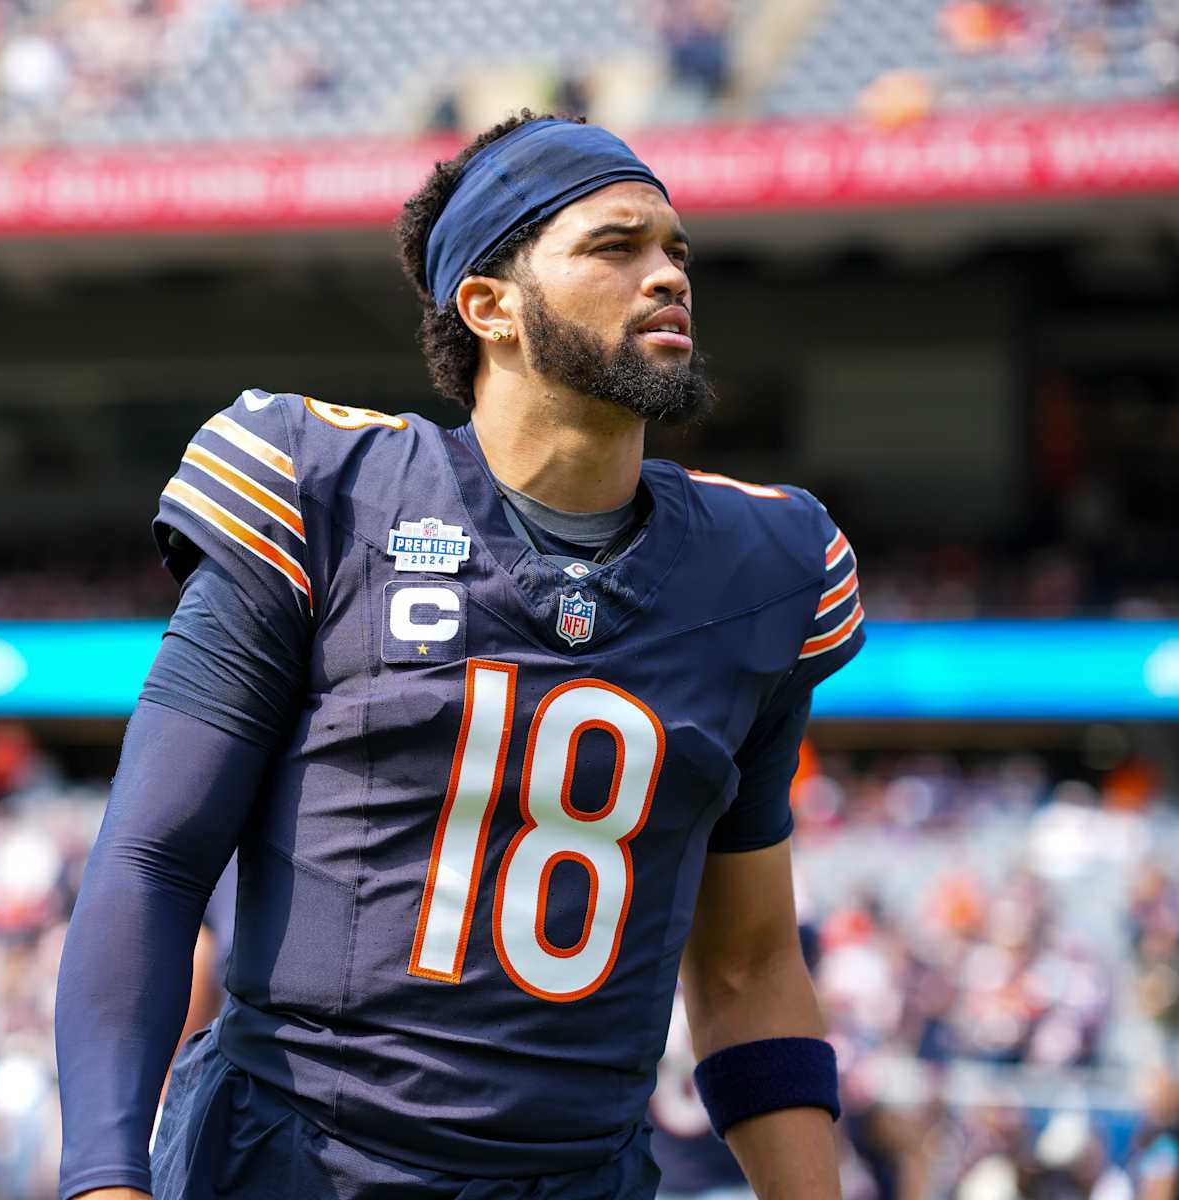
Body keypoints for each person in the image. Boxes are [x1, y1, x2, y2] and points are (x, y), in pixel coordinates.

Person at [55, 110, 865, 1200]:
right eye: (615, 246)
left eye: (676, 250)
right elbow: (153, 860)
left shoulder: (763, 565)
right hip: (298, 1164)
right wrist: (104, 1180)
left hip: (583, 1182)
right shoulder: (324, 492)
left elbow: (746, 961)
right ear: (490, 307)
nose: (669, 275)